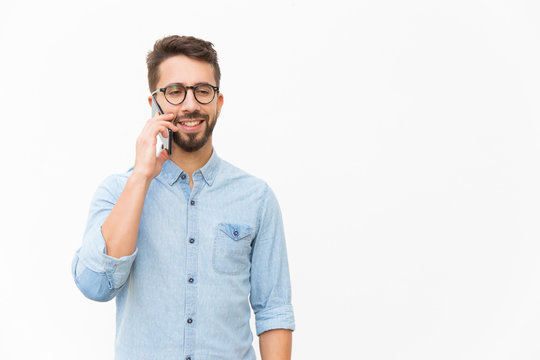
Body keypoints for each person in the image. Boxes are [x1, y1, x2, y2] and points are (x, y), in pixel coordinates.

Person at [71, 35, 295, 360]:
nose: (190, 104)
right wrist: (141, 177)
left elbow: (273, 311)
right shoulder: (119, 191)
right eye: (175, 92)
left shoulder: (256, 198)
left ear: (218, 102)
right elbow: (95, 285)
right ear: (154, 105)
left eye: (202, 91)